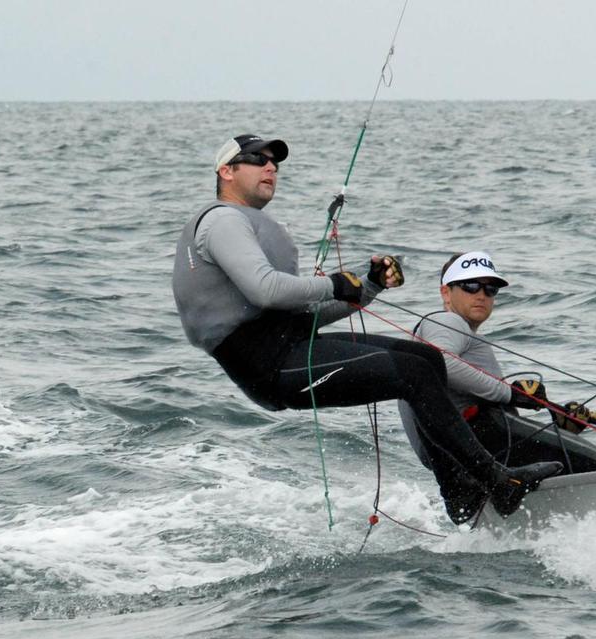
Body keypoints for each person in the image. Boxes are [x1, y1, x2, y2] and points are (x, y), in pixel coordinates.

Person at [172, 134, 562, 520]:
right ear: (226, 171)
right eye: (258, 158)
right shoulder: (222, 221)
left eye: (275, 161)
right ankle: (496, 482)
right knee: (410, 372)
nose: (271, 166)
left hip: (290, 347)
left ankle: (464, 494)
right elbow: (267, 290)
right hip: (266, 366)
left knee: (426, 358)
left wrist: (369, 284)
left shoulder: (251, 225)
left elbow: (302, 315)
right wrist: (336, 283)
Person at [399, 251, 575, 523]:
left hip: (467, 458)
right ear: (446, 293)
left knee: (567, 442)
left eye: (490, 289)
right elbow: (439, 360)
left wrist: (562, 421)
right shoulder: (446, 321)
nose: (481, 294)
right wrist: (509, 393)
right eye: (470, 286)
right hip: (480, 440)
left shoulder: (459, 334)